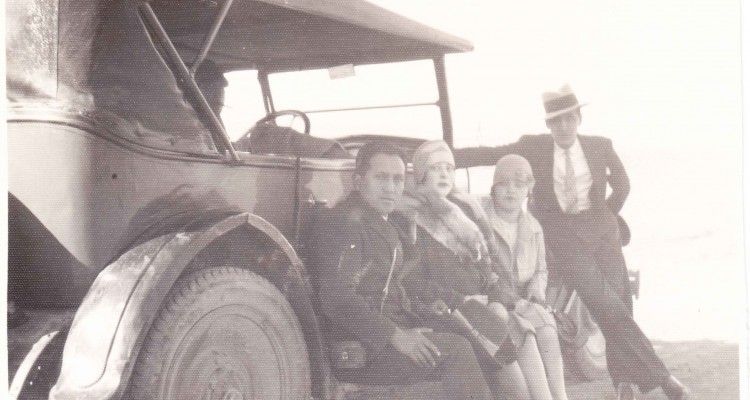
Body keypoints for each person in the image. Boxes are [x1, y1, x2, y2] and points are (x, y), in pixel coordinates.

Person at [454, 84, 690, 400]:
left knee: (620, 304)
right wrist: (445, 157)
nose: (563, 126)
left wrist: (605, 215)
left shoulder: (600, 146)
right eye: (556, 121)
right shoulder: (534, 146)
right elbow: (489, 154)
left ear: (579, 118)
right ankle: (665, 379)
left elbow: (623, 185)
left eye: (569, 119)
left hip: (603, 234)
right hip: (565, 239)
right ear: (548, 124)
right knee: (606, 304)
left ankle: (624, 383)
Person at [316, 142, 492, 400]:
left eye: (398, 179)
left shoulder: (379, 220)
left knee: (476, 333)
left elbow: (388, 286)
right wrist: (396, 336)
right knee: (458, 350)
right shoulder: (345, 223)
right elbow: (335, 297)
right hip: (360, 349)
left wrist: (424, 309)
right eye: (381, 178)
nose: (391, 188)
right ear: (358, 181)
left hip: (385, 334)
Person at [395, 140, 559, 400]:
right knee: (508, 352)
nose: (444, 174)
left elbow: (491, 266)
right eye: (436, 168)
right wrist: (464, 300)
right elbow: (411, 281)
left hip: (480, 306)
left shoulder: (466, 209)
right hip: (443, 310)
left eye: (449, 168)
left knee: (522, 330)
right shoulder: (408, 217)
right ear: (421, 173)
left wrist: (495, 299)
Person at [482, 154, 568, 400]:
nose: (511, 190)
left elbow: (541, 270)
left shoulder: (533, 227)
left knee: (548, 329)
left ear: (528, 190)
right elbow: (484, 273)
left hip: (522, 299)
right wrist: (514, 301)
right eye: (503, 183)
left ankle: (560, 395)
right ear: (493, 188)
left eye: (519, 185)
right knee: (524, 330)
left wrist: (536, 290)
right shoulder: (481, 221)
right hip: (494, 300)